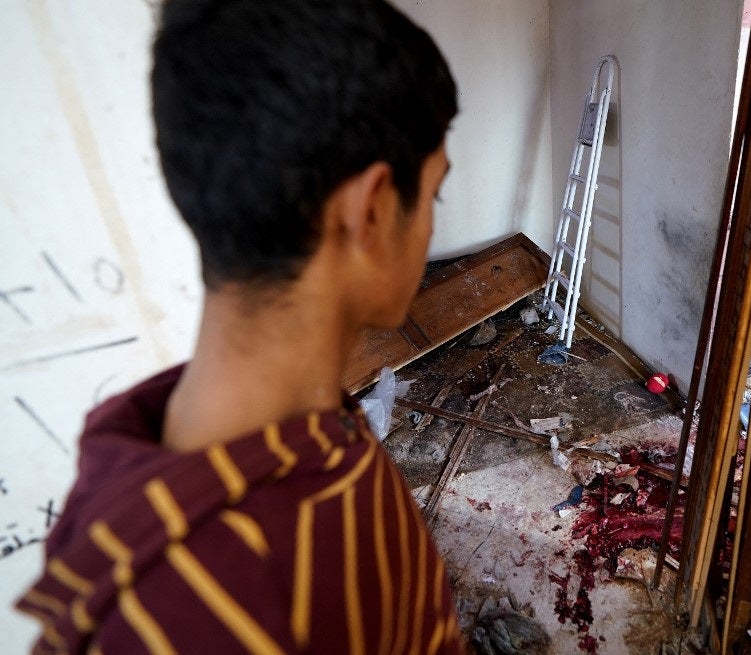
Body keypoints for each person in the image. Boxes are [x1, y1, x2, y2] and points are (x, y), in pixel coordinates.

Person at [16, 0, 462, 652]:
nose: (431, 225)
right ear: (368, 211)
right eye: (433, 194)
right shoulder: (219, 615)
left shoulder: (145, 438)